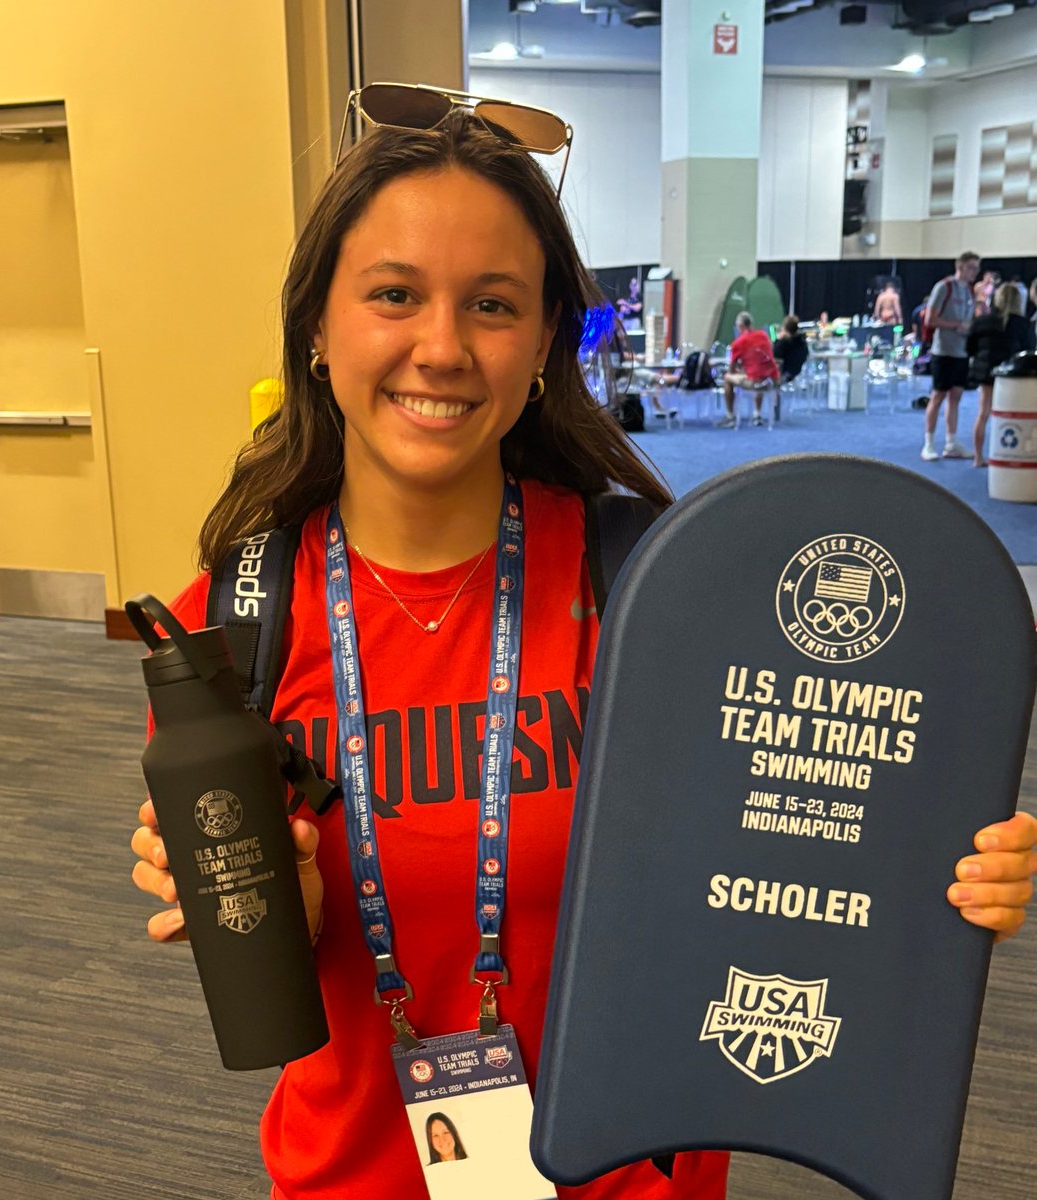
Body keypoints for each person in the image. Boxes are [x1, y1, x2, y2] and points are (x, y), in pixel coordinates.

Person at [129, 91, 1037, 1200]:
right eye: (394, 295)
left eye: (494, 305)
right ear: (318, 326)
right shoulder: (234, 625)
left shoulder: (662, 588)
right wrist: (285, 914)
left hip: (631, 1179)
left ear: (549, 338)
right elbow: (276, 962)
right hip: (356, 1175)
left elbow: (792, 847)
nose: (443, 348)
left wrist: (932, 875)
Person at [967, 282, 1036, 468]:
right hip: (1013, 377)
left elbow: (970, 347)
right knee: (1013, 416)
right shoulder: (1022, 324)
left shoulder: (982, 321)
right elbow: (1029, 351)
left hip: (986, 372)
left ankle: (978, 457)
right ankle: (1014, 456)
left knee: (983, 414)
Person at [921, 251, 980, 461]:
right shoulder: (944, 287)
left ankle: (951, 442)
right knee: (937, 397)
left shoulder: (970, 292)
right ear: (961, 267)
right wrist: (956, 326)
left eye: (977, 268)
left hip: (962, 353)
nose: (975, 272)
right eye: (972, 267)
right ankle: (928, 443)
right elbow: (930, 320)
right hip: (943, 351)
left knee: (956, 397)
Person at [719, 311, 780, 427]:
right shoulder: (763, 336)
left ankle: (730, 416)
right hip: (771, 379)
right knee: (758, 375)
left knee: (727, 378)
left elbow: (731, 369)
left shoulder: (738, 343)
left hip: (755, 381)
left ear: (740, 326)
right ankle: (757, 413)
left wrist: (736, 372)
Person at [772, 314, 809, 382]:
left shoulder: (783, 343)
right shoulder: (802, 343)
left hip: (785, 375)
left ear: (785, 328)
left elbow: (774, 354)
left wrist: (779, 339)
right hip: (798, 374)